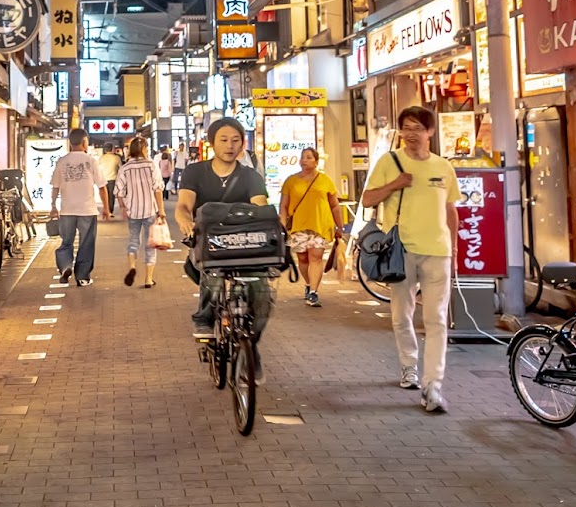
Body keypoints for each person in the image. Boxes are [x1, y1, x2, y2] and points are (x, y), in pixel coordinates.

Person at [359, 107, 459, 414]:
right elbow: (367, 200)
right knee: (402, 315)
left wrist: (453, 250)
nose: (412, 133)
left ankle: (433, 385)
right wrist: (394, 185)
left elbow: (451, 210)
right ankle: (408, 367)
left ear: (430, 132)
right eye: (406, 127)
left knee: (437, 320)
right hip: (400, 252)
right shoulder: (389, 162)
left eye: (418, 127)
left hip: (438, 251)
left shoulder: (443, 166)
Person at [175, 117, 271, 342]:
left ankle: (251, 349)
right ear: (212, 143)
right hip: (208, 245)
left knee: (262, 294)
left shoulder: (251, 176)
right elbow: (184, 205)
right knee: (214, 276)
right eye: (224, 140)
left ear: (242, 144)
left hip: (245, 247)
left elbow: (260, 205)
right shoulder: (195, 172)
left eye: (235, 140)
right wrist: (186, 222)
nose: (230, 145)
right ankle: (204, 319)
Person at [279, 146, 348, 308]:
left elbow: (334, 206)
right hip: (298, 226)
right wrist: (281, 226)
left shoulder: (325, 180)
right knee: (302, 258)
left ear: (316, 161)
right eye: (303, 157)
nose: (304, 160)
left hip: (320, 225)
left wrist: (340, 226)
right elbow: (283, 206)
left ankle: (314, 292)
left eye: (309, 157)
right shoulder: (291, 181)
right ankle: (309, 284)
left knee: (315, 257)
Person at [50, 129, 103, 285]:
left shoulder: (62, 161)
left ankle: (65, 265)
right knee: (86, 243)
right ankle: (82, 277)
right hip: (87, 210)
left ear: (70, 143)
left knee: (66, 241)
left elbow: (55, 186)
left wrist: (53, 206)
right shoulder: (91, 161)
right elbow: (102, 186)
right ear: (84, 142)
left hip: (67, 210)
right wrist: (106, 208)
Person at [116, 137, 163, 287]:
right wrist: (161, 211)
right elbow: (158, 188)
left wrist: (123, 207)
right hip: (149, 209)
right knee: (150, 244)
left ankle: (132, 267)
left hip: (133, 210)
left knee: (133, 240)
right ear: (144, 148)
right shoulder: (151, 165)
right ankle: (149, 279)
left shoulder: (126, 167)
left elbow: (119, 191)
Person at [98, 142, 123, 218]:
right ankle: (110, 211)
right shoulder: (116, 158)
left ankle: (106, 209)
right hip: (113, 178)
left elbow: (98, 168)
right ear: (112, 149)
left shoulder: (101, 158)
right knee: (111, 196)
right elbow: (121, 168)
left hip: (103, 179)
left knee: (105, 195)